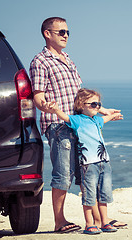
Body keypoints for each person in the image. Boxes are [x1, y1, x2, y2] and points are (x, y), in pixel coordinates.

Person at [29, 17, 126, 233]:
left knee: (88, 173)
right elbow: (37, 96)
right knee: (63, 174)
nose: (65, 35)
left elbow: (80, 97)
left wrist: (102, 110)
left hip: (81, 125)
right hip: (58, 125)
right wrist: (47, 107)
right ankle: (59, 221)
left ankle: (101, 220)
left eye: (67, 32)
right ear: (47, 33)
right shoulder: (40, 61)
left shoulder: (68, 59)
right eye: (60, 32)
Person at [50, 88, 123, 234]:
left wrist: (112, 113)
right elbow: (64, 117)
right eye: (94, 104)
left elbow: (107, 118)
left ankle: (104, 222)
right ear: (82, 104)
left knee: (104, 194)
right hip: (88, 164)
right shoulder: (77, 120)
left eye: (98, 104)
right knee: (89, 194)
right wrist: (56, 109)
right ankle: (89, 224)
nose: (97, 107)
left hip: (104, 162)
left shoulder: (97, 120)